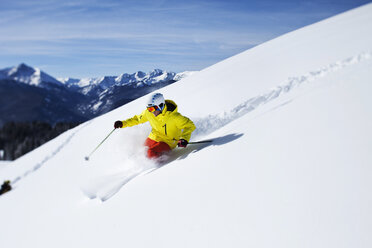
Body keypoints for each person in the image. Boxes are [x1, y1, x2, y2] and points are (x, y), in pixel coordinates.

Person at [114, 93, 196, 159]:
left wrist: (184, 139)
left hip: (168, 141)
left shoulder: (174, 117)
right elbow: (137, 119)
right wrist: (123, 123)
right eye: (149, 109)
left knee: (150, 153)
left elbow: (189, 125)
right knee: (141, 152)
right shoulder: (149, 113)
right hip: (154, 137)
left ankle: (157, 169)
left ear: (161, 106)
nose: (151, 111)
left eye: (152, 109)